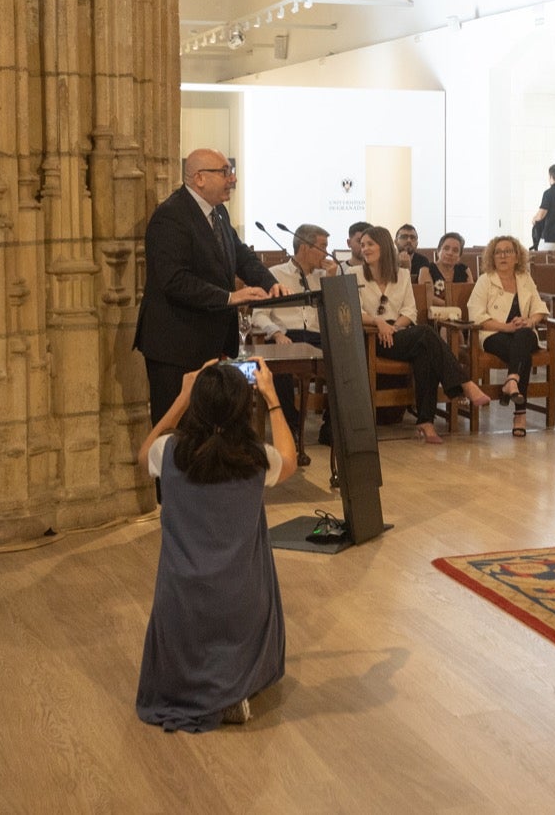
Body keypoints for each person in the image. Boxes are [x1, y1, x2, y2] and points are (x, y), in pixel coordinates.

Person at [135, 359, 297, 732]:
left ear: (198, 405)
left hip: (182, 604)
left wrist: (181, 397)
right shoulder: (257, 460)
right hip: (239, 603)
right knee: (255, 579)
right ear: (244, 408)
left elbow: (143, 455)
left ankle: (196, 686)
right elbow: (289, 459)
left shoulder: (170, 453)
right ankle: (233, 686)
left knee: (183, 606)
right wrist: (272, 397)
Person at [134, 150, 282, 423]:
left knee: (208, 426)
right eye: (225, 171)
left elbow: (241, 256)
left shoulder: (219, 213)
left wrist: (271, 283)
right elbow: (173, 280)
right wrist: (229, 297)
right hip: (176, 344)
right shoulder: (170, 216)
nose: (232, 178)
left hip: (210, 342)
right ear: (199, 178)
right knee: (177, 431)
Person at [357, 227, 489, 444]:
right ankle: (465, 384)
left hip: (398, 332)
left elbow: (410, 310)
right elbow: (355, 310)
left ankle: (425, 421)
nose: (365, 249)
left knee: (425, 353)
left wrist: (394, 328)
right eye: (362, 245)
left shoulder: (401, 275)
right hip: (370, 335)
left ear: (384, 246)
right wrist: (379, 323)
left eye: (370, 244)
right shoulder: (355, 273)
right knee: (426, 335)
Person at [253, 223, 339, 457]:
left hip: (316, 337)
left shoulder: (326, 275)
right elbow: (259, 313)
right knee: (280, 364)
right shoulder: (275, 274)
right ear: (304, 247)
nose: (327, 253)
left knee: (342, 360)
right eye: (322, 246)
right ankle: (290, 428)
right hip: (285, 335)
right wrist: (277, 333)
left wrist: (330, 283)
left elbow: (335, 313)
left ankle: (331, 428)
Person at [468, 236, 549, 437]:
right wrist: (506, 327)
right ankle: (519, 415)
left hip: (523, 332)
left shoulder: (525, 278)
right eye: (498, 252)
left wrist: (530, 321)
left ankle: (511, 380)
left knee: (523, 336)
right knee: (524, 355)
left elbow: (539, 309)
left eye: (508, 251)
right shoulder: (485, 280)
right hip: (494, 334)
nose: (503, 256)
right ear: (492, 257)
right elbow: (476, 316)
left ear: (517, 256)